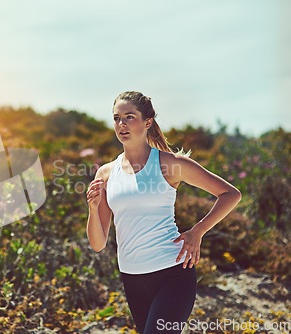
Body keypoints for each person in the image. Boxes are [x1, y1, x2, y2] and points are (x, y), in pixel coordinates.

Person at [86, 91, 241, 334]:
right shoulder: (105, 174)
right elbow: (97, 243)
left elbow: (231, 194)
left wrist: (197, 231)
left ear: (147, 122)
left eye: (129, 117)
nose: (121, 125)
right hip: (132, 277)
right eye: (117, 118)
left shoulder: (171, 164)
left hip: (172, 274)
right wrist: (93, 209)